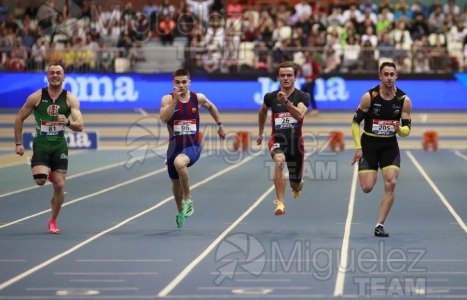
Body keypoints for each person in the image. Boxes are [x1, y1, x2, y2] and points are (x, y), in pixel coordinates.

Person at [14, 64, 84, 234]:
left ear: (64, 77)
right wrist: (18, 143)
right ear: (47, 76)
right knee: (40, 181)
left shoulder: (70, 99)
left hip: (59, 144)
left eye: (58, 73)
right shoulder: (36, 97)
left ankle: (53, 220)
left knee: (59, 186)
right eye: (52, 73)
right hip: (41, 144)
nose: (55, 75)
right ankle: (49, 173)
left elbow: (80, 125)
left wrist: (66, 122)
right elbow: (19, 118)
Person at [351, 61, 412, 237]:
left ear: (396, 76)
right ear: (380, 76)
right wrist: (358, 148)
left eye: (392, 74)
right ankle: (370, 170)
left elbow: (407, 131)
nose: (389, 78)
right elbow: (355, 123)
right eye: (385, 74)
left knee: (391, 182)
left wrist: (400, 129)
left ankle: (379, 224)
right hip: (369, 145)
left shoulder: (404, 100)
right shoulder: (369, 97)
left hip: (389, 146)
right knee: (367, 187)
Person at [159, 68, 226, 228]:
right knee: (175, 182)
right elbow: (163, 119)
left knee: (180, 163)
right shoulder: (167, 99)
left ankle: (188, 199)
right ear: (173, 83)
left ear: (189, 82)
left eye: (184, 82)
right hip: (174, 147)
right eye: (177, 82)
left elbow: (211, 107)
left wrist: (220, 125)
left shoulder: (198, 98)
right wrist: (175, 101)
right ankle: (180, 210)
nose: (181, 85)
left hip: (192, 145)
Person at [257, 61, 310, 215]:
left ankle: (297, 187)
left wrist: (286, 102)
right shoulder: (270, 97)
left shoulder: (302, 96)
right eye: (282, 76)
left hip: (296, 145)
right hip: (277, 141)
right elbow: (262, 112)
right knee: (279, 161)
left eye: (289, 75)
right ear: (278, 78)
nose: (286, 78)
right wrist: (260, 132)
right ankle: (280, 203)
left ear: (295, 77)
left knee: (295, 184)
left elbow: (300, 115)